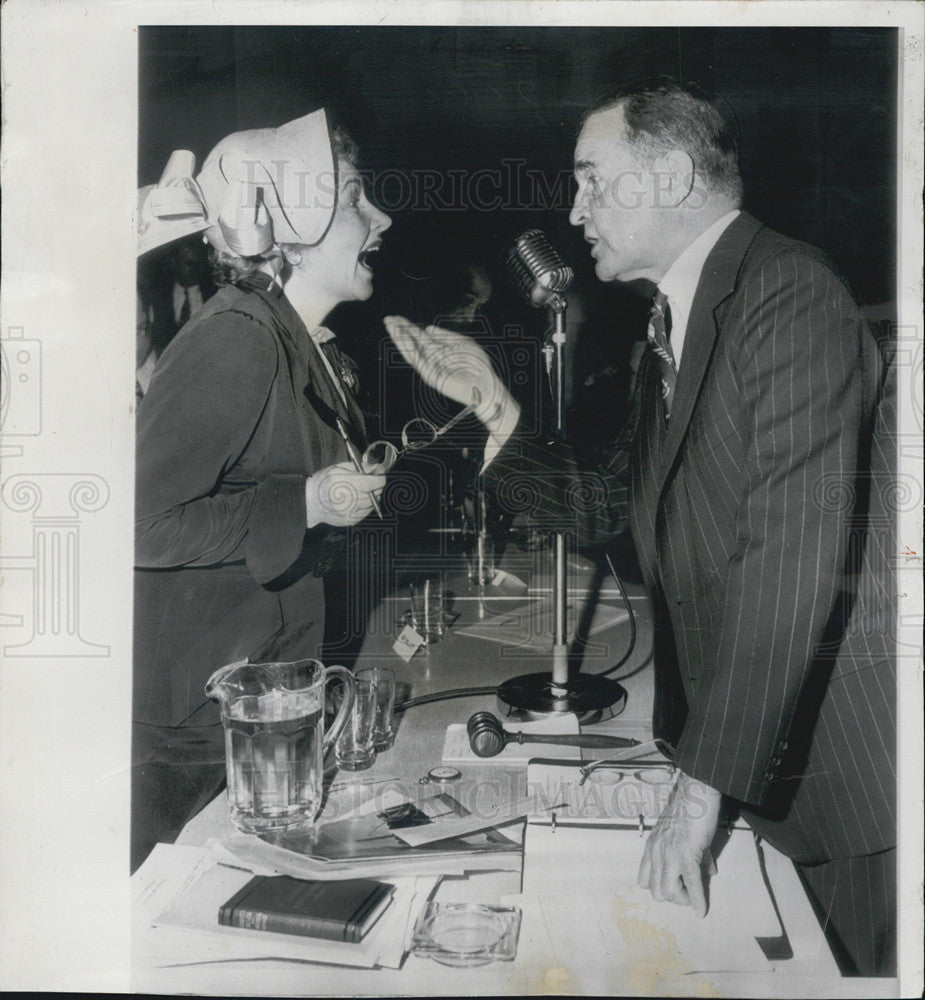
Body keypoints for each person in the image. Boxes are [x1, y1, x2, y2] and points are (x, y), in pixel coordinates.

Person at [384, 79, 896, 976]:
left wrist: (698, 793)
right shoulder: (674, 318)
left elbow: (788, 565)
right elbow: (607, 504)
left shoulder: (788, 295)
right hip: (754, 769)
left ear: (665, 174)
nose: (573, 209)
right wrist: (495, 409)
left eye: (589, 179)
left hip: (837, 789)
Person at [133, 109, 389, 872]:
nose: (380, 217)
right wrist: (307, 502)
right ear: (288, 221)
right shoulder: (238, 336)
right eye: (354, 199)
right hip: (195, 738)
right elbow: (138, 524)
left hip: (266, 696)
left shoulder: (298, 341)